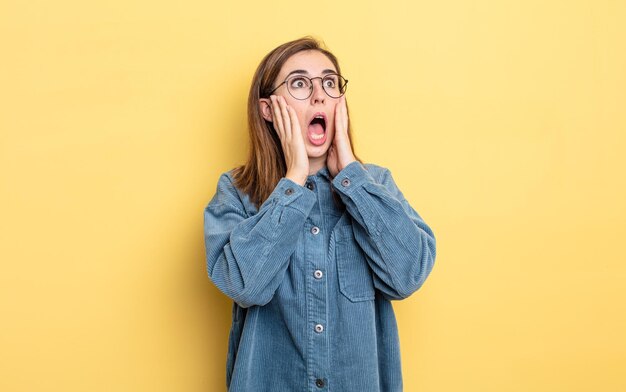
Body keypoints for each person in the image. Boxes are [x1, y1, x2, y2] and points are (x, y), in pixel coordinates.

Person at [203, 36, 436, 392]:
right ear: (268, 109)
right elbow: (244, 286)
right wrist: (294, 178)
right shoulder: (236, 191)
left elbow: (408, 275)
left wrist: (351, 177)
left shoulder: (376, 184)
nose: (319, 95)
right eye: (299, 83)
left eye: (330, 82)